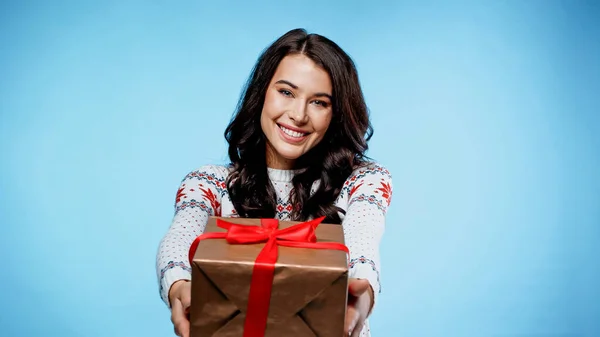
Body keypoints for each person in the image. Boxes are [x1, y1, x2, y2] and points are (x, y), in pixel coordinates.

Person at [156, 28, 393, 337]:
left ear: (336, 113)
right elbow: (179, 238)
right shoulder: (210, 183)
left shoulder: (364, 181)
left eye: (319, 102)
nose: (297, 115)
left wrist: (362, 292)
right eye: (286, 92)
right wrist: (178, 286)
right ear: (262, 93)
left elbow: (364, 234)